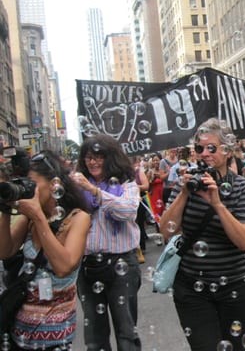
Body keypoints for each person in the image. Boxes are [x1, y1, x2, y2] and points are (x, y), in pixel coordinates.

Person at [160, 118, 245, 351]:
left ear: (227, 151)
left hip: (238, 285)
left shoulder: (243, 187)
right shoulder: (184, 185)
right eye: (199, 148)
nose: (204, 153)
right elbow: (166, 230)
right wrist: (184, 193)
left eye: (211, 148)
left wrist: (217, 204)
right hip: (192, 288)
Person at [0, 150, 91, 350]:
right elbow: (5, 251)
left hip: (55, 334)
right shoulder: (28, 219)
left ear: (54, 185)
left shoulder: (78, 218)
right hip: (19, 331)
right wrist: (5, 211)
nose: (27, 190)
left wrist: (39, 217)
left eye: (32, 184)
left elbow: (63, 266)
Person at [74, 134, 142, 351]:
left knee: (126, 333)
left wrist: (95, 191)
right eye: (88, 158)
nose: (92, 162)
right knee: (94, 337)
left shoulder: (127, 184)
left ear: (110, 157)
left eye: (98, 157)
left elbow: (127, 211)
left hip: (121, 264)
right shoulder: (77, 187)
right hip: (87, 266)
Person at [131, 155, 149, 263]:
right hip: (130, 201)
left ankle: (141, 246)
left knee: (139, 223)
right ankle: (135, 247)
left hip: (139, 199)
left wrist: (136, 187)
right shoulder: (123, 174)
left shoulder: (139, 172)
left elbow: (146, 186)